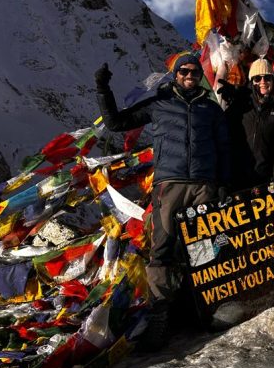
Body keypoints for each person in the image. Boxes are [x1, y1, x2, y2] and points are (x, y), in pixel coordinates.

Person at [94, 53, 230, 347]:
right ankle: (159, 316)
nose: (190, 75)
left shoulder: (210, 109)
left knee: (206, 246)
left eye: (195, 72)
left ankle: (208, 306)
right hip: (169, 184)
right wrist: (103, 89)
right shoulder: (159, 104)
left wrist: (222, 184)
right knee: (163, 247)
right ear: (176, 74)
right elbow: (117, 122)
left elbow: (223, 147)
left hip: (204, 185)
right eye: (184, 71)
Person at [223, 58, 274, 191]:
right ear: (251, 82)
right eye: (257, 78)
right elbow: (224, 141)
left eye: (267, 78)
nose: (263, 82)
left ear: (273, 81)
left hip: (265, 179)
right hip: (237, 179)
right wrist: (223, 179)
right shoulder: (239, 106)